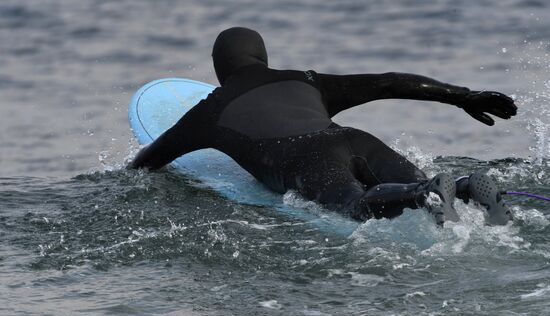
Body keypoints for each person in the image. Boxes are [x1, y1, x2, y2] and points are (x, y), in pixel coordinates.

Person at [129, 27, 517, 225]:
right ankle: (466, 186)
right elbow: (388, 81)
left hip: (306, 158)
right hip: (355, 139)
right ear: (261, 56)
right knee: (421, 186)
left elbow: (149, 159)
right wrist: (463, 96)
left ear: (220, 65)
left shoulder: (209, 112)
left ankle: (425, 193)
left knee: (357, 207)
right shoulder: (307, 79)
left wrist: (128, 175)